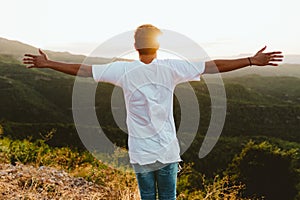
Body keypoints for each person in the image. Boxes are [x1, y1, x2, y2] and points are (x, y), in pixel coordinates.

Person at [23, 24, 283, 200]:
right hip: (167, 151)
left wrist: (48, 64)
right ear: (157, 46)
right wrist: (250, 60)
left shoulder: (121, 70)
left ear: (135, 45)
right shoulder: (171, 68)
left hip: (141, 153)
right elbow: (213, 66)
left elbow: (83, 70)